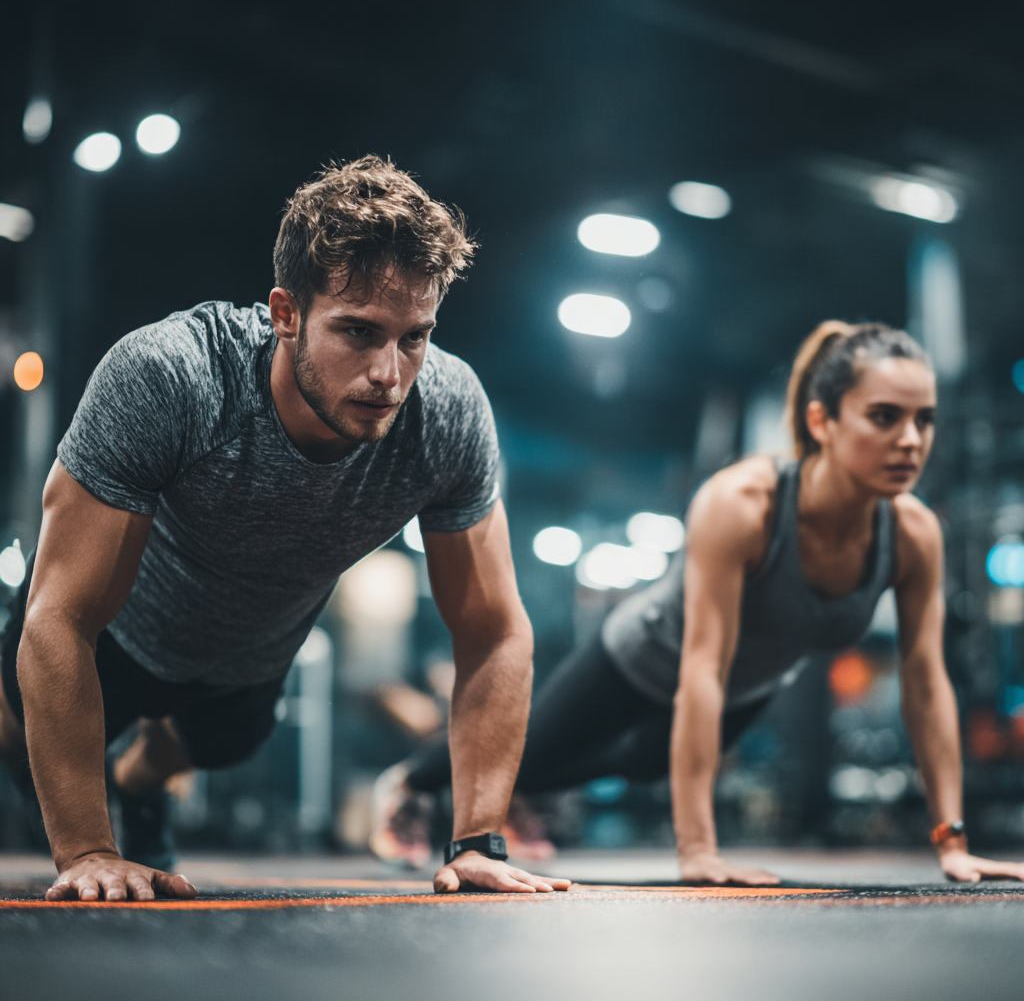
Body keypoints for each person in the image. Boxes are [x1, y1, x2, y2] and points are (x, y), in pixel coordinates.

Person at [0, 156, 569, 901]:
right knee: (11, 740)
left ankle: (139, 782)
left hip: (246, 658)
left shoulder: (447, 413)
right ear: (285, 313)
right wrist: (86, 852)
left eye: (412, 338)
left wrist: (476, 842)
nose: (388, 374)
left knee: (220, 745)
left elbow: (493, 632)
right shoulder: (171, 377)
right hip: (113, 636)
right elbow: (60, 618)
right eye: (358, 331)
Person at [375, 320, 1024, 885]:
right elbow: (703, 666)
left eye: (924, 419)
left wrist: (952, 841)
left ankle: (513, 790)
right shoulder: (742, 503)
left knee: (638, 764)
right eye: (885, 417)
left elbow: (926, 683)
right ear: (821, 421)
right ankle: (408, 780)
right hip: (644, 655)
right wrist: (699, 851)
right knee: (533, 746)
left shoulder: (913, 533)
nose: (911, 439)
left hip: (745, 687)